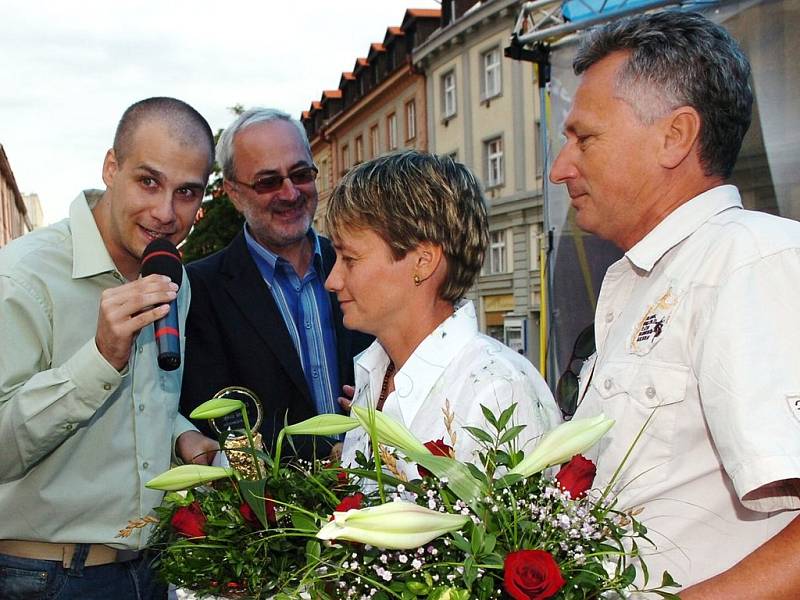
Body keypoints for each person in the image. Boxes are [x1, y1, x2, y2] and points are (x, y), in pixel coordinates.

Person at [549, 10, 800, 597]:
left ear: (674, 136)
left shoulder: (748, 264)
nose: (561, 168)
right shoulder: (643, 279)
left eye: (584, 137)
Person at [0, 97, 220, 599]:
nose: (165, 212)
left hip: (152, 569)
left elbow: (142, 402)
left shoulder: (170, 276)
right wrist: (98, 359)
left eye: (186, 192)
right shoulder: (21, 277)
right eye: (149, 181)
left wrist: (179, 436)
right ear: (110, 167)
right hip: (43, 579)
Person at [327, 151, 561, 480]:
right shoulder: (376, 373)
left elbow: (512, 528)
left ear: (423, 261)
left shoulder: (498, 391)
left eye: (349, 259)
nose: (332, 280)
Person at [180, 108, 371, 458]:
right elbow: (218, 423)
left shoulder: (365, 269)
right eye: (268, 182)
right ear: (235, 194)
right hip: (272, 507)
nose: (290, 193)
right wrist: (325, 458)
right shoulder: (199, 291)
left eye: (300, 174)